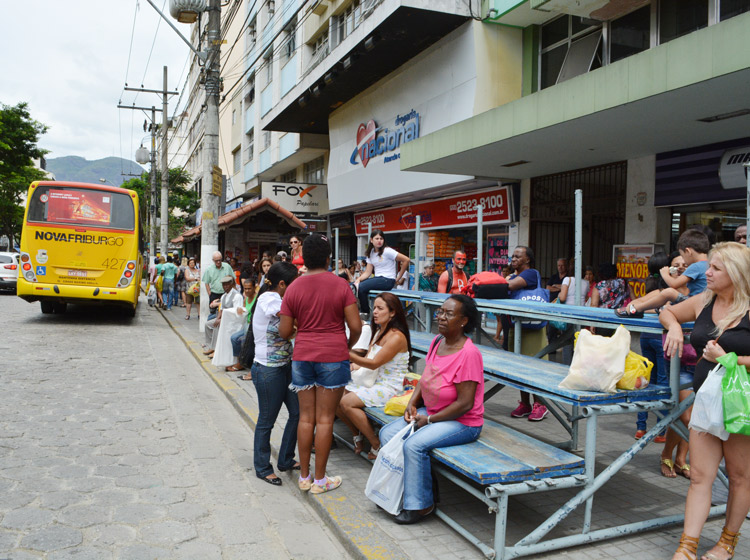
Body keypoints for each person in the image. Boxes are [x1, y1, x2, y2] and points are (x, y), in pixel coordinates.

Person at [661, 242, 750, 560]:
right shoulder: (705, 300)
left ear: (736, 274)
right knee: (700, 476)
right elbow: (667, 309)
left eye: (715, 268)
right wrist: (673, 327)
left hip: (742, 406)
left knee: (740, 477)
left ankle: (726, 543)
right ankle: (686, 547)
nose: (706, 272)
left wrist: (729, 359)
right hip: (707, 401)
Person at [379, 294, 484, 524]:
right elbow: (426, 377)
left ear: (464, 320)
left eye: (449, 314)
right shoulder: (438, 341)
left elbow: (465, 403)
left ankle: (421, 505)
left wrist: (430, 419)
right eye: (440, 312)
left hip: (462, 422)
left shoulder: (469, 354)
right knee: (386, 433)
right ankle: (409, 489)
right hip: (432, 414)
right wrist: (413, 402)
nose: (441, 317)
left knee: (414, 445)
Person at [279, 234, 361, 495]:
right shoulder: (340, 285)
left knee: (306, 418)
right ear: (328, 259)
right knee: (325, 420)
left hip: (303, 355)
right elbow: (356, 326)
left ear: (305, 258)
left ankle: (304, 477)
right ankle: (320, 480)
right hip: (333, 355)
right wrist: (346, 345)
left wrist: (299, 332)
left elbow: (283, 331)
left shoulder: (293, 287)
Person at [337, 292, 411, 459]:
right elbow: (368, 359)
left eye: (380, 308)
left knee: (346, 402)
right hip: (374, 380)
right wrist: (352, 365)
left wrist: (346, 353)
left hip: (391, 387)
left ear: (392, 312)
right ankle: (357, 434)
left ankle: (376, 443)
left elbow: (374, 363)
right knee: (334, 395)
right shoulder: (379, 331)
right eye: (374, 308)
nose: (375, 312)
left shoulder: (397, 336)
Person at [250, 261, 301, 486]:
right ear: (282, 284)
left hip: (285, 366)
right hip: (267, 370)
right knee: (266, 420)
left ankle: (286, 459)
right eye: (294, 285)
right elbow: (285, 313)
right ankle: (262, 467)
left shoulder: (279, 298)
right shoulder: (269, 299)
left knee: (298, 413)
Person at [616, 230, 709, 318]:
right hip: (702, 305)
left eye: (685, 263)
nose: (681, 268)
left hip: (696, 304)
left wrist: (665, 274)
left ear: (688, 251)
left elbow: (673, 284)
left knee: (669, 292)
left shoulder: (696, 266)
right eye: (676, 266)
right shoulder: (710, 264)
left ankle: (637, 309)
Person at [507, 246, 549, 422]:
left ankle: (540, 404)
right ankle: (525, 404)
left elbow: (509, 286)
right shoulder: (513, 275)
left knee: (534, 368)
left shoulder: (530, 274)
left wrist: (490, 281)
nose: (514, 259)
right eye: (513, 256)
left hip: (532, 330)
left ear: (527, 260)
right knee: (519, 368)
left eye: (518, 256)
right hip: (516, 327)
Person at [354, 229, 409, 314]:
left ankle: (365, 313)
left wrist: (398, 278)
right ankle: (361, 311)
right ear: (371, 240)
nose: (379, 241)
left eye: (381, 238)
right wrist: (359, 279)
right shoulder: (371, 253)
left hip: (388, 280)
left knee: (361, 287)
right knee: (354, 286)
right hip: (378, 279)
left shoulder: (387, 251)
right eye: (377, 238)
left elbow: (406, 260)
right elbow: (368, 272)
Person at [203, 275, 243, 358]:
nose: (225, 287)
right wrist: (218, 318)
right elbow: (221, 309)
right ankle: (211, 346)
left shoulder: (237, 296)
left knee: (218, 325)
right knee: (208, 324)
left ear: (231, 284)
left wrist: (221, 320)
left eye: (227, 284)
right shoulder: (224, 296)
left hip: (233, 320)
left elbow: (237, 312)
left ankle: (216, 350)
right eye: (224, 285)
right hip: (224, 318)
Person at [227, 277, 257, 374]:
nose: (247, 291)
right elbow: (243, 310)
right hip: (246, 325)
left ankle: (244, 363)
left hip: (253, 327)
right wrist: (240, 309)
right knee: (234, 338)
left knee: (244, 340)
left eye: (249, 288)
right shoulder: (246, 298)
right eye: (245, 289)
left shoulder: (257, 299)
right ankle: (240, 361)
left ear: (254, 288)